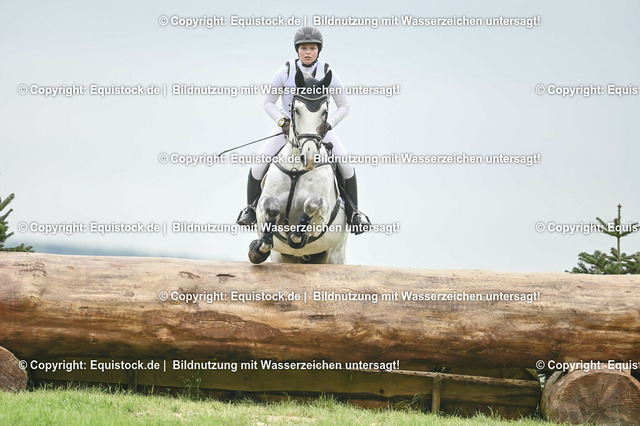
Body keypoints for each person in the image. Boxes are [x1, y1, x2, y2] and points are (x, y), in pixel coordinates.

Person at [236, 27, 370, 234]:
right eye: (304, 48)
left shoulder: (328, 72)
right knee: (258, 164)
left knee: (346, 165)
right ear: (297, 50)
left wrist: (328, 124)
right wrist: (282, 121)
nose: (308, 52)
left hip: (318, 130)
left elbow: (344, 106)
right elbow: (268, 102)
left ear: (319, 50)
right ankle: (251, 209)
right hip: (289, 128)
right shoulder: (286, 71)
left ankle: (354, 213)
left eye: (312, 48)